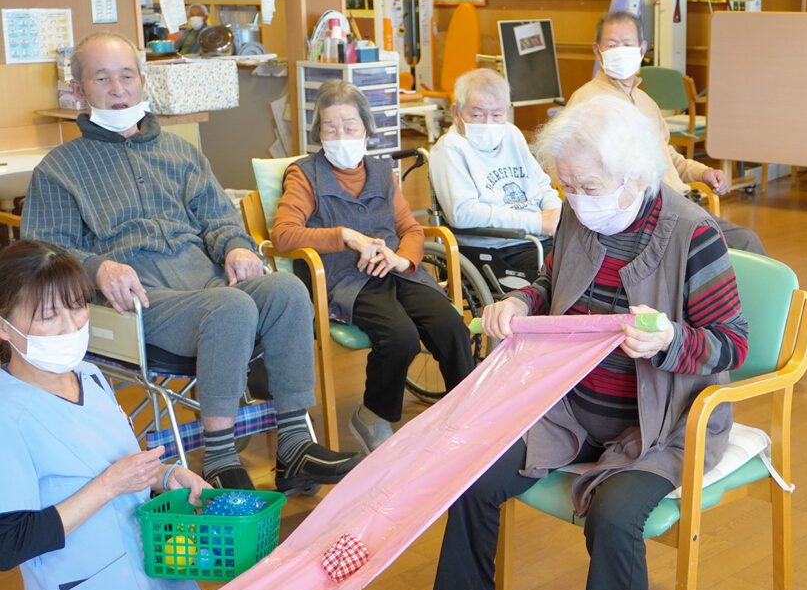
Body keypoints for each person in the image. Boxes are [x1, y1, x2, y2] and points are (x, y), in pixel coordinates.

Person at [414, 95, 749, 590]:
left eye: (588, 187)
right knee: (470, 468)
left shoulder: (695, 235)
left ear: (635, 175)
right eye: (567, 186)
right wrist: (521, 301)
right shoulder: (579, 212)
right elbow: (553, 283)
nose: (575, 200)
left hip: (658, 428)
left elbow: (731, 345)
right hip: (569, 406)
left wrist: (669, 341)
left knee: (614, 521)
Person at [23, 32, 361, 492]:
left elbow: (220, 219)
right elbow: (43, 255)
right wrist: (96, 266)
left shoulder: (182, 153)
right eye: (102, 78)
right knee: (232, 307)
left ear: (143, 81)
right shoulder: (59, 170)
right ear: (80, 90)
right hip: (138, 304)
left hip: (207, 287)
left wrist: (236, 246)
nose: (117, 89)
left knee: (286, 289)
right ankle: (221, 459)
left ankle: (295, 446)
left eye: (126, 76)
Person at [0, 239, 208, 590]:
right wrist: (109, 485)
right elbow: (9, 543)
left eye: (77, 306)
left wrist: (166, 476)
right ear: (4, 326)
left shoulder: (91, 376)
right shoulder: (8, 414)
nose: (71, 325)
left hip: (161, 578)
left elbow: (115, 461)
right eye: (48, 315)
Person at [271, 79, 475, 453]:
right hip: (346, 279)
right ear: (319, 133)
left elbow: (410, 228)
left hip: (396, 268)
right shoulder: (304, 175)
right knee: (399, 337)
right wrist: (345, 236)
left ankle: (464, 418)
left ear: (366, 130)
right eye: (330, 128)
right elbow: (284, 235)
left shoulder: (382, 172)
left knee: (451, 326)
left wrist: (403, 258)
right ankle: (371, 415)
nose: (341, 135)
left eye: (350, 126)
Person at [568, 10, 767, 255]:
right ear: (597, 51)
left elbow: (667, 157)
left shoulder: (646, 103)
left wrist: (702, 172)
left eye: (627, 44)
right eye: (611, 44)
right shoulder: (587, 102)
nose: (620, 49)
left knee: (746, 243)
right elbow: (577, 173)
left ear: (642, 50)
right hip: (643, 218)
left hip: (679, 205)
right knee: (739, 245)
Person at [428, 68, 562, 273]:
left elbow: (541, 185)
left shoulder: (511, 134)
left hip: (537, 238)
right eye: (477, 115)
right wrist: (538, 222)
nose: (488, 123)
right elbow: (462, 213)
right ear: (456, 113)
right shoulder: (450, 149)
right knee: (567, 273)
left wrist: (556, 215)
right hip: (497, 247)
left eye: (497, 115)